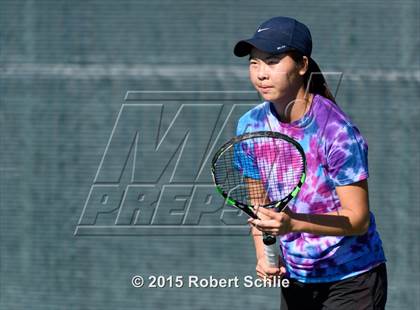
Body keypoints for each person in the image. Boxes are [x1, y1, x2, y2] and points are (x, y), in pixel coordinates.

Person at [233, 16, 387, 310]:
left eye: (273, 61)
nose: (261, 73)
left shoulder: (337, 132)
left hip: (352, 280)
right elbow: (260, 206)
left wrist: (293, 224)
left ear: (302, 65)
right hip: (296, 278)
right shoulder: (249, 126)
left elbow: (358, 219)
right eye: (254, 63)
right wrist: (263, 256)